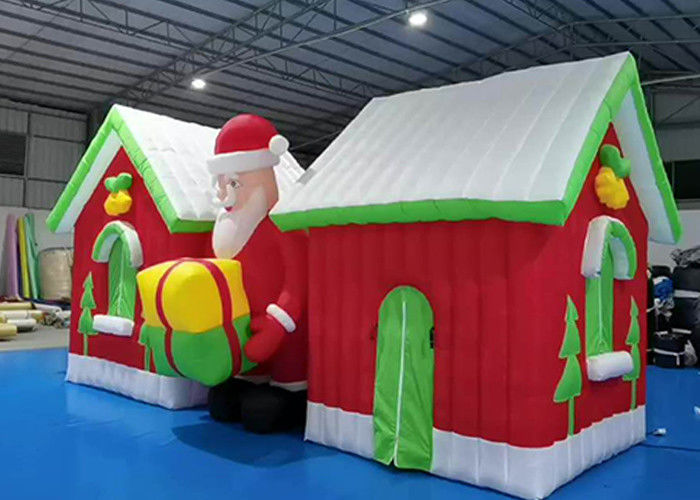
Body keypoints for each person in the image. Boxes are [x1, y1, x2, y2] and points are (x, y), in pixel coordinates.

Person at [206, 114, 307, 432]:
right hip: (245, 330)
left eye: (234, 184)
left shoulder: (282, 228)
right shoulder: (225, 231)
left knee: (267, 407)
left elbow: (297, 284)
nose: (225, 195)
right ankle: (250, 382)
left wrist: (277, 326)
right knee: (226, 402)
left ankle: (292, 393)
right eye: (221, 184)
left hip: (285, 335)